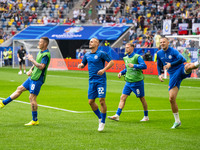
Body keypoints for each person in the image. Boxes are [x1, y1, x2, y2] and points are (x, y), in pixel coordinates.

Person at [0, 37, 51, 126]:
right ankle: (3, 103)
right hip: (33, 76)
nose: (38, 43)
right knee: (19, 89)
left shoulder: (46, 55)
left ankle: (35, 120)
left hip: (37, 79)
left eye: (40, 42)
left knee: (32, 98)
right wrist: (31, 70)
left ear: (45, 44)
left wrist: (32, 60)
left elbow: (42, 66)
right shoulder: (41, 52)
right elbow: (37, 64)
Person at [157, 36, 200, 129]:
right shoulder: (159, 53)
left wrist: (171, 64)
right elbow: (159, 64)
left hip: (180, 69)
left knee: (188, 66)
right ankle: (177, 121)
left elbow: (182, 59)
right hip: (173, 76)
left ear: (168, 43)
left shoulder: (173, 51)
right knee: (171, 99)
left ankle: (198, 62)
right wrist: (159, 74)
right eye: (161, 42)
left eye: (164, 42)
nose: (162, 44)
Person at [78, 38, 114, 131]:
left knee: (101, 100)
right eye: (90, 41)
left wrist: (103, 70)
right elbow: (83, 63)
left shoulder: (101, 53)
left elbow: (111, 62)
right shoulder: (87, 55)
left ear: (97, 43)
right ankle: (100, 117)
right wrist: (81, 65)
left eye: (92, 41)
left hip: (100, 80)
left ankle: (103, 122)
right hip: (91, 81)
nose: (90, 43)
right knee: (90, 102)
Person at [108, 43, 149, 122]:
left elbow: (144, 66)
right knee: (122, 97)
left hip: (137, 82)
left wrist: (134, 65)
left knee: (142, 99)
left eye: (128, 47)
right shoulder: (125, 58)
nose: (126, 49)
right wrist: (121, 72)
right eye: (126, 47)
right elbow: (127, 68)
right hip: (128, 82)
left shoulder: (137, 57)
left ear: (132, 48)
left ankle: (146, 116)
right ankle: (117, 115)